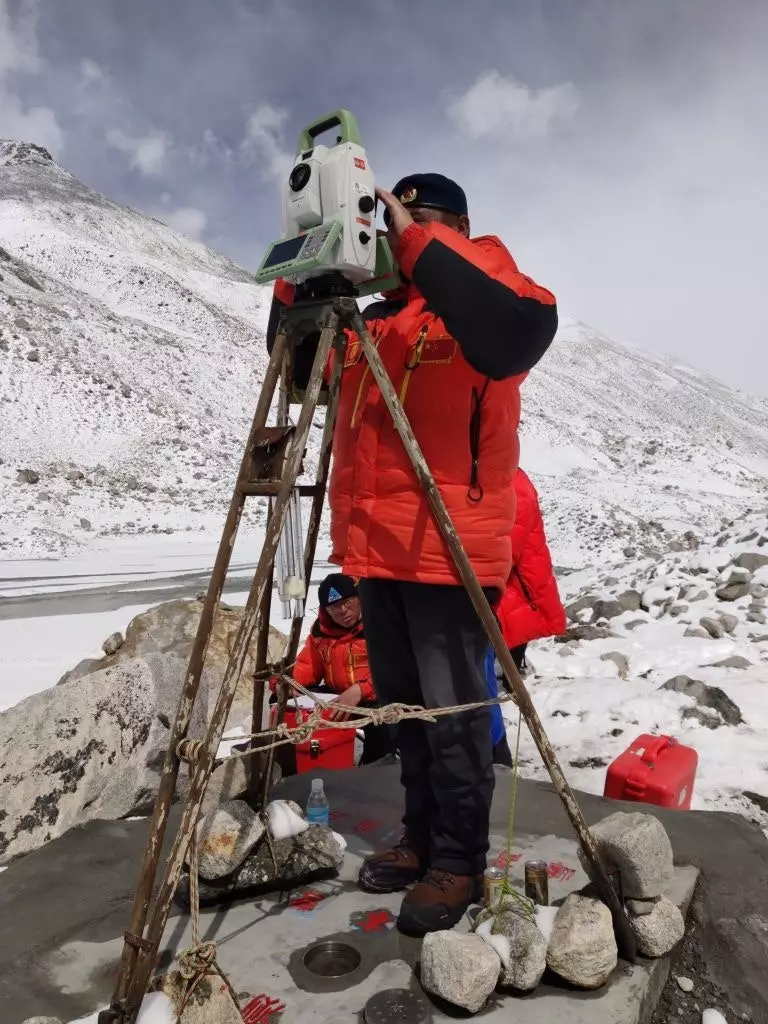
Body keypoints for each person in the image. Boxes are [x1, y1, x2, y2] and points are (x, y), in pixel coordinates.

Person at [267, 172, 557, 935]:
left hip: (448, 553)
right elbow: (301, 377)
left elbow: (520, 330)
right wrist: (303, 282)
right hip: (375, 554)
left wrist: (418, 239)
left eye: (410, 218)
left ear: (449, 226)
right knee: (404, 715)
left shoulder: (487, 281)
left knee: (455, 719)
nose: (392, 233)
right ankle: (421, 837)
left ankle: (458, 860)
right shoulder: (377, 322)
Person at [485, 468, 567, 767]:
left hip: (497, 599)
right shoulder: (508, 478)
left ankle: (496, 761)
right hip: (501, 598)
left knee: (478, 684)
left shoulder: (509, 483)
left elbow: (503, 550)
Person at [271, 573, 396, 768]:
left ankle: (374, 768)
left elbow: (391, 669)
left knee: (383, 722)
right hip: (337, 698)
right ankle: (298, 764)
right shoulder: (322, 633)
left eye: (348, 602)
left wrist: (360, 691)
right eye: (335, 608)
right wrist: (285, 682)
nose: (344, 611)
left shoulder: (379, 625)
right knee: (282, 701)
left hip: (373, 696)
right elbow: (309, 665)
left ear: (359, 598)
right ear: (325, 610)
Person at [495, 468, 567, 671]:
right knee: (518, 621)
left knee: (515, 620)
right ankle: (511, 674)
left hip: (517, 575)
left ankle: (510, 677)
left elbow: (510, 547)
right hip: (523, 573)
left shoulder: (513, 485)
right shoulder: (515, 479)